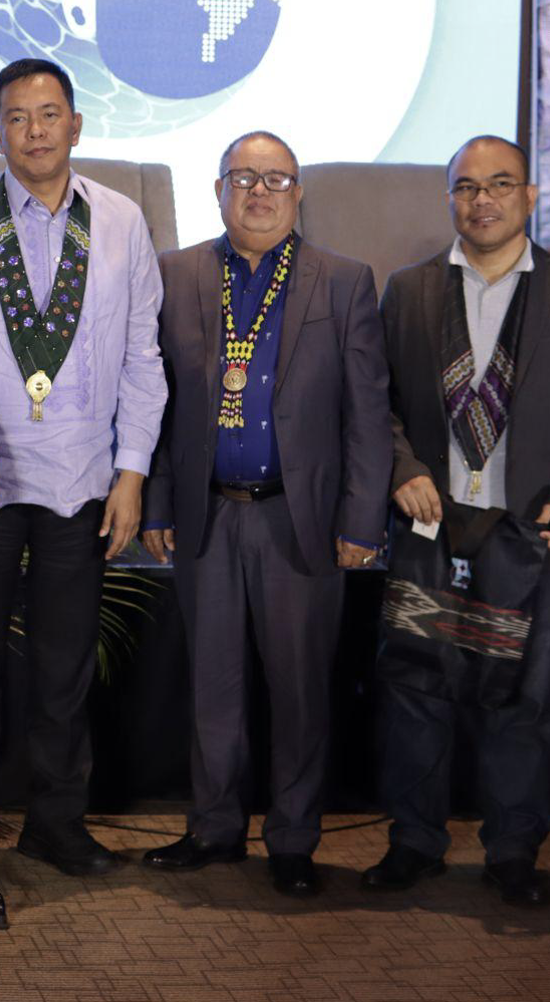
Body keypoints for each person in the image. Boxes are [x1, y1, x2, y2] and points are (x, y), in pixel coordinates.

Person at [0, 56, 167, 876]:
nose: (34, 130)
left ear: (76, 125)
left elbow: (142, 357)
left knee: (64, 668)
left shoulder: (124, 223)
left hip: (82, 482)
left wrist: (131, 472)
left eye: (49, 114)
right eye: (17, 117)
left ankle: (57, 824)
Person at [365, 136, 550, 908]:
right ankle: (414, 841)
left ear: (531, 196)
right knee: (417, 691)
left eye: (500, 184)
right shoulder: (408, 291)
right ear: (449, 199)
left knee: (522, 699)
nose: (483, 199)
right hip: (429, 533)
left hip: (527, 534)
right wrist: (404, 469)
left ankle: (513, 850)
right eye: (467, 187)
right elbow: (374, 407)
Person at [138, 132, 391, 897]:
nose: (259, 191)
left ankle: (292, 840)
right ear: (218, 189)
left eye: (275, 178)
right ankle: (213, 829)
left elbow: (368, 416)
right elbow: (155, 402)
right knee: (211, 687)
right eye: (243, 177)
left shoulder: (343, 282)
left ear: (299, 192)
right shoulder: (177, 274)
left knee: (299, 689)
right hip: (206, 516)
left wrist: (361, 522)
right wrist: (156, 501)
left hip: (300, 521)